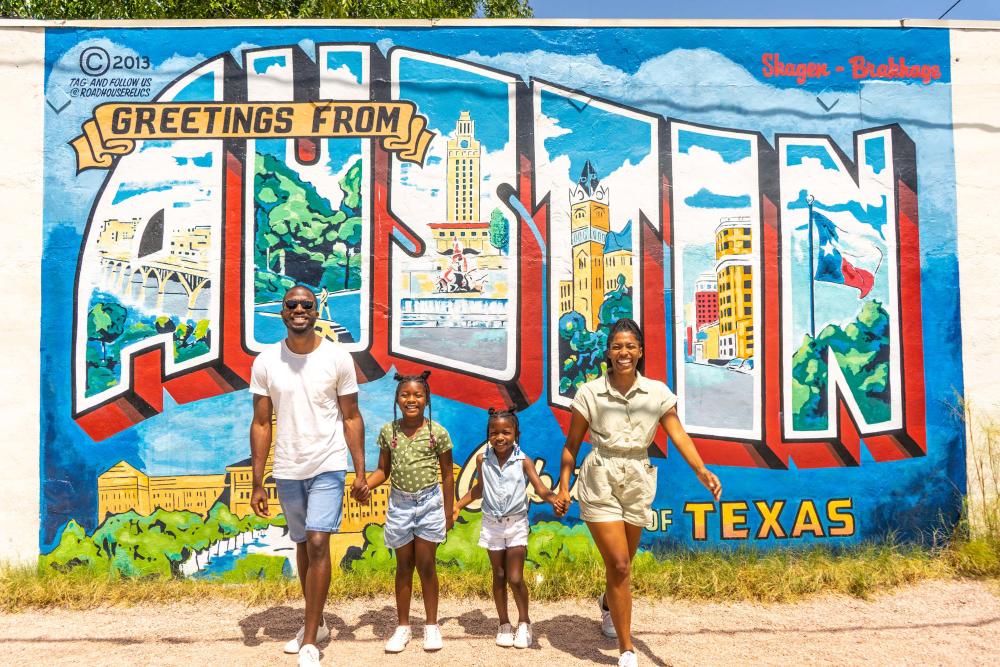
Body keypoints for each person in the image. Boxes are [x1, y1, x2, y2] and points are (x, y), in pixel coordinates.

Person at [554, 318, 722, 667]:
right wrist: (564, 485)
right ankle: (627, 650)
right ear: (608, 352)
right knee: (618, 563)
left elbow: (678, 434)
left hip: (638, 478)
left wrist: (701, 469)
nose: (624, 352)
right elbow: (571, 445)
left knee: (624, 566)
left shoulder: (657, 393)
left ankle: (607, 603)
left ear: (640, 351)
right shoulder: (590, 393)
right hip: (600, 476)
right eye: (617, 346)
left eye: (630, 346)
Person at [249, 285, 368, 667]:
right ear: (283, 312)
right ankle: (316, 625)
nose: (299, 309)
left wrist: (360, 470)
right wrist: (256, 481)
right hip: (287, 467)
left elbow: (351, 417)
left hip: (329, 463)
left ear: (316, 312)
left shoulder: (337, 359)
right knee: (302, 542)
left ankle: (309, 641)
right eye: (292, 304)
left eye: (306, 305)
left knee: (318, 542)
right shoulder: (266, 362)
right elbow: (261, 422)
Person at [453, 408, 566, 649]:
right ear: (488, 434)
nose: (500, 437)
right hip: (492, 525)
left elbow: (539, 488)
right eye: (494, 432)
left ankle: (524, 622)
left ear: (516, 434)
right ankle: (504, 624)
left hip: (516, 524)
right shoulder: (483, 459)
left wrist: (554, 498)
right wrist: (458, 505)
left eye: (506, 432)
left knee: (515, 577)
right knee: (499, 575)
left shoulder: (523, 460)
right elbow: (479, 489)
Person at [365, 370, 455, 653]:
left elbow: (447, 475)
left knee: (426, 565)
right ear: (397, 399)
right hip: (400, 505)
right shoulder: (388, 432)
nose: (411, 399)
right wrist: (365, 486)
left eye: (418, 394)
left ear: (426, 399)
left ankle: (431, 625)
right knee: (404, 566)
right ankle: (403, 627)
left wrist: (449, 512)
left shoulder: (437, 433)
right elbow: (383, 470)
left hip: (429, 504)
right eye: (405, 394)